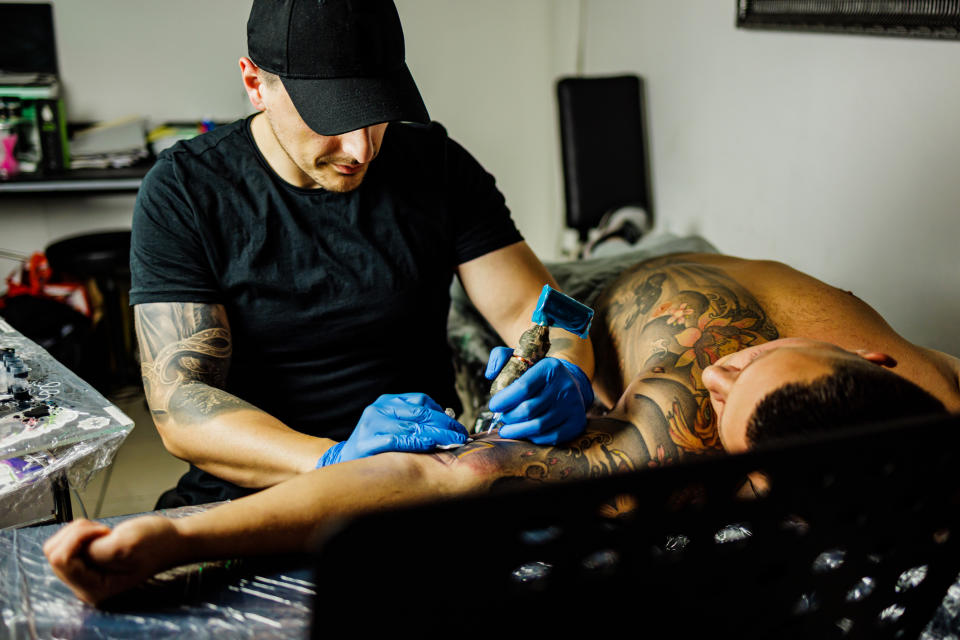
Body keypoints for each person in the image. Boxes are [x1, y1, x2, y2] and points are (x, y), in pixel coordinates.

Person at [46, 250, 960, 605]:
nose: (721, 372)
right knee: (494, 362)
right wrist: (187, 530)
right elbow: (444, 468)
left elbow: (442, 481)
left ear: (759, 486)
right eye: (759, 356)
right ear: (865, 360)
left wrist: (164, 541)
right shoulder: (693, 384)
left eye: (729, 398)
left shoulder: (706, 454)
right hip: (591, 293)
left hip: (594, 328)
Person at [131, 0, 595, 508]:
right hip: (258, 492)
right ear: (255, 83)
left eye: (376, 115)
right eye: (331, 119)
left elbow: (540, 312)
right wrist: (333, 461)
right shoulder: (186, 191)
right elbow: (180, 404)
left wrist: (569, 373)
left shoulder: (438, 167)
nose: (361, 150)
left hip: (424, 484)